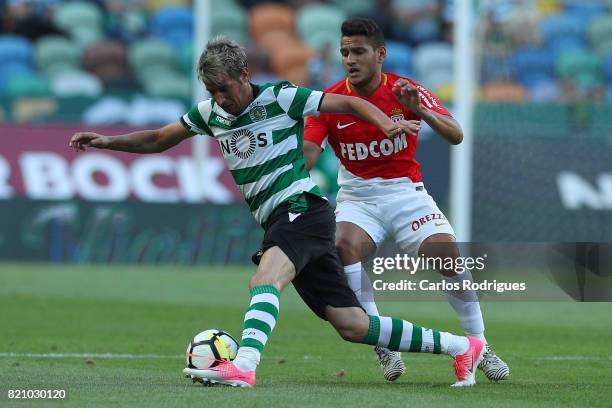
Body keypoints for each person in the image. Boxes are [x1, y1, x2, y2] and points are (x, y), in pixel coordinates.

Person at [69, 36, 486, 388]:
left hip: (302, 209)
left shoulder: (281, 97)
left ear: (244, 76)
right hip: (280, 218)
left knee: (265, 278)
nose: (220, 98)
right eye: (212, 90)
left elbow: (349, 105)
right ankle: (460, 347)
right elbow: (158, 139)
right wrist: (107, 142)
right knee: (352, 325)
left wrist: (386, 122)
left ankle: (244, 367)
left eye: (225, 88)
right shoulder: (208, 114)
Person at [304, 18, 510, 382]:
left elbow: (456, 134)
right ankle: (383, 342)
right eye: (344, 52)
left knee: (448, 256)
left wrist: (423, 110)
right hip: (358, 196)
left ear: (380, 54)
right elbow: (307, 153)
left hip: (406, 192)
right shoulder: (331, 101)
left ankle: (480, 345)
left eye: (358, 52)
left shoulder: (406, 91)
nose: (350, 59)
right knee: (343, 246)